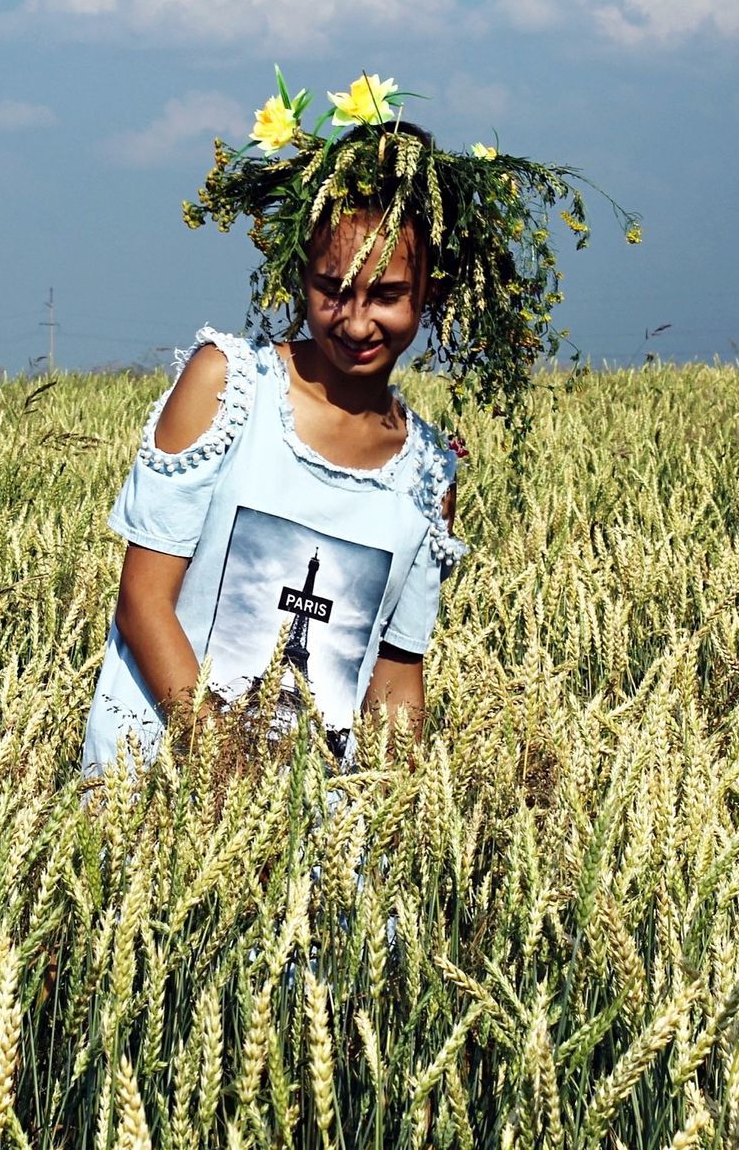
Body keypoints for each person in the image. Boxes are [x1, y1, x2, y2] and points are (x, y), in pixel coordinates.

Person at [81, 70, 636, 778]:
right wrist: (224, 775)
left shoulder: (430, 473)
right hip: (153, 798)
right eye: (331, 289)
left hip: (312, 847)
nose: (357, 320)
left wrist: (395, 821)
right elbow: (142, 602)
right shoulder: (226, 388)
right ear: (298, 275)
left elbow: (397, 679)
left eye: (390, 294)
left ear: (431, 291)